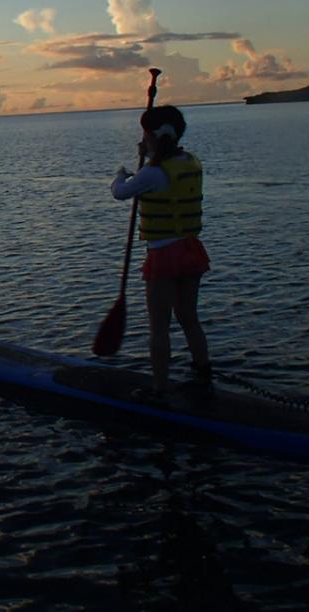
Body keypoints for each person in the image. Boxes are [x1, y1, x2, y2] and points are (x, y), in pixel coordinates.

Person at [110, 104, 211, 401]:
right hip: (192, 251)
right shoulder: (191, 161)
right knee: (189, 317)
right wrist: (149, 156)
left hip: (164, 255)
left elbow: (120, 192)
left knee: (159, 326)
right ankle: (203, 372)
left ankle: (159, 388)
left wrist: (120, 174)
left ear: (151, 136)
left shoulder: (153, 172)